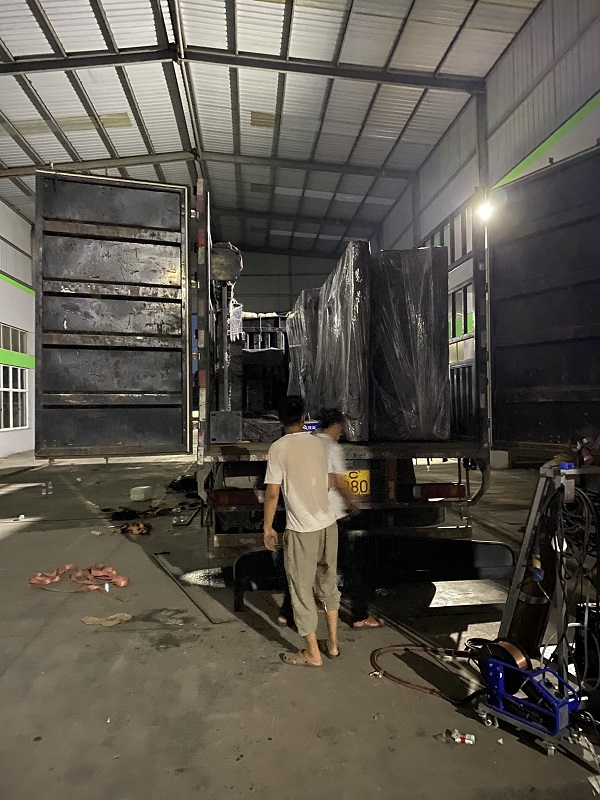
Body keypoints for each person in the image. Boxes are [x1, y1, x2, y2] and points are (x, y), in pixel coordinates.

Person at [263, 395, 340, 667]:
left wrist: (268, 527)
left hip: (302, 529)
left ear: (279, 420)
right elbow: (329, 482)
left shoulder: (278, 448)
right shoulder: (319, 444)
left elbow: (272, 493)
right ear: (305, 417)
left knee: (301, 590)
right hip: (328, 524)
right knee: (328, 584)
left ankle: (312, 653)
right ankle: (332, 644)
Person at [315, 409, 384, 630]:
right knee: (352, 568)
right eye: (341, 428)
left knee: (306, 565)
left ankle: (288, 612)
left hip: (311, 516)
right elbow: (340, 481)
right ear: (335, 426)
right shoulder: (332, 447)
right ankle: (360, 615)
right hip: (334, 517)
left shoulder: (310, 444)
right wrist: (353, 503)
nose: (342, 433)